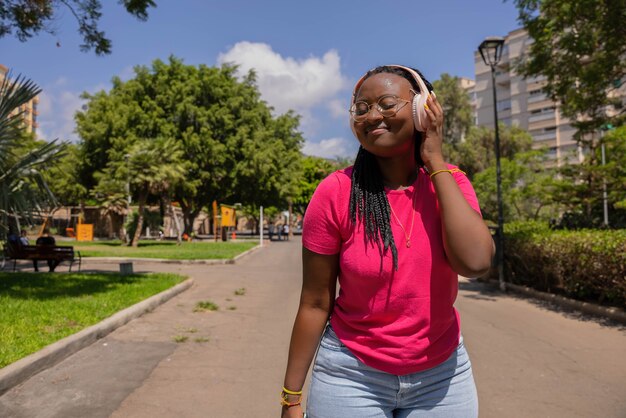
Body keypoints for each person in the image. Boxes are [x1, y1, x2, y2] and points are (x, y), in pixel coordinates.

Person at [280, 65, 494, 418]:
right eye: (361, 108)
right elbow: (316, 302)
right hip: (351, 375)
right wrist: (291, 398)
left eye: (387, 103)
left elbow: (475, 263)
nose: (372, 115)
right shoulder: (336, 192)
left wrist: (434, 159)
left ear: (424, 108)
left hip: (442, 376)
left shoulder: (449, 183)